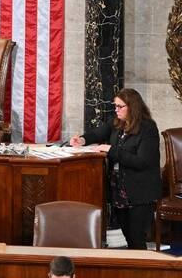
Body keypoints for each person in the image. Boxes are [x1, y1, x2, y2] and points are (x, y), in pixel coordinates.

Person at [69, 88, 162, 250]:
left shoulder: (148, 128)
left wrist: (111, 150)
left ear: (132, 107)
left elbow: (142, 161)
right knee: (128, 235)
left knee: (136, 237)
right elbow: (98, 133)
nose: (116, 110)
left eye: (120, 106)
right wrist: (82, 140)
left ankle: (140, 270)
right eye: (115, 106)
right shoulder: (117, 122)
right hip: (119, 189)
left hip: (139, 191)